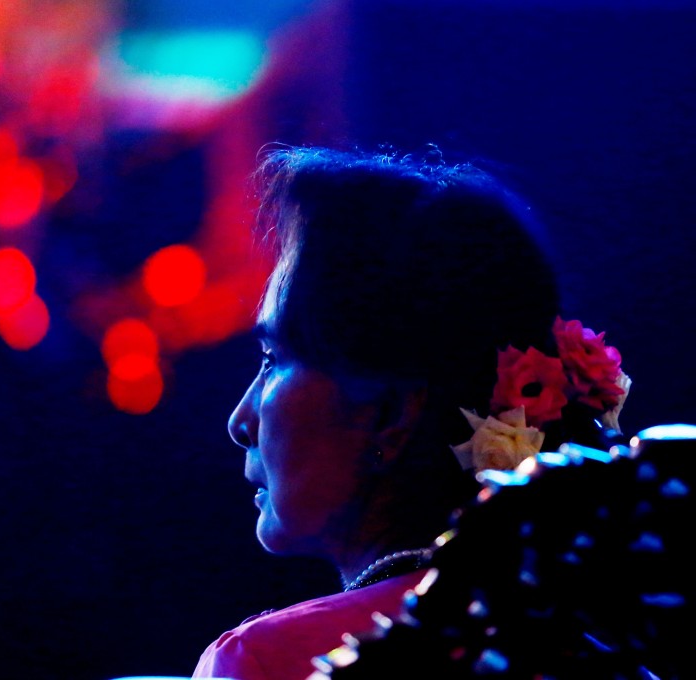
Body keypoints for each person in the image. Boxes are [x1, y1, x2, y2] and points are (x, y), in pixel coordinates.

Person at [192, 144, 630, 680]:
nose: (240, 422)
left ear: (391, 414)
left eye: (272, 359)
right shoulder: (607, 642)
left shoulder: (271, 660)